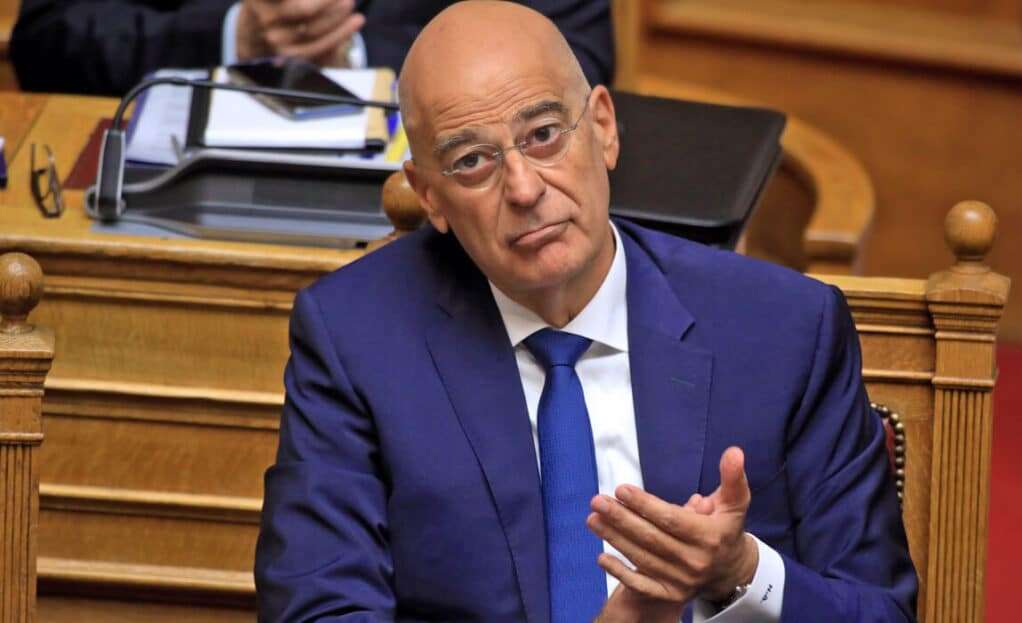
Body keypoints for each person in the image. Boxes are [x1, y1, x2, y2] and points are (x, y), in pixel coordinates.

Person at [254, 2, 918, 621]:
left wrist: (740, 573)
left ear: (602, 128)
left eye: (544, 135)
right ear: (429, 196)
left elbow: (880, 610)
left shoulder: (785, 328)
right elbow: (321, 609)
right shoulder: (356, 338)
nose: (523, 188)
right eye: (473, 161)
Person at [9, 0, 613, 96]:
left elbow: (573, 59)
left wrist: (350, 55)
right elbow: (46, 36)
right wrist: (235, 35)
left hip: (436, 220)